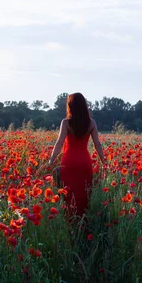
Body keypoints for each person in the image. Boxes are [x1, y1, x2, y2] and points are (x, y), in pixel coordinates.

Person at [48, 93, 105, 221]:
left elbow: (59, 143)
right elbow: (98, 145)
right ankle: (83, 223)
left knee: (69, 194)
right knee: (84, 195)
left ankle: (70, 222)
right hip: (84, 162)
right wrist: (104, 162)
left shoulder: (66, 123)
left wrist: (51, 160)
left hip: (69, 163)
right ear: (84, 106)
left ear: (70, 106)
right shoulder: (91, 123)